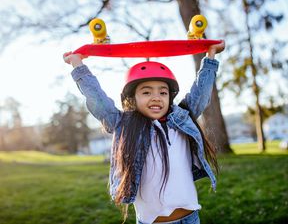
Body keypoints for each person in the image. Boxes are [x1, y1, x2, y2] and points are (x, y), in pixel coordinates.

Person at [63, 40, 225, 224]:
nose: (156, 97)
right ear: (133, 98)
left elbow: (200, 92)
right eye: (147, 92)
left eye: (163, 93)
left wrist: (210, 56)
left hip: (190, 218)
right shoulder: (124, 125)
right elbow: (96, 98)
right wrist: (77, 64)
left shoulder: (181, 119)